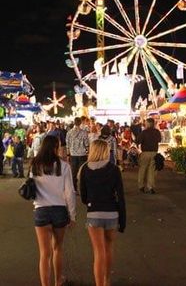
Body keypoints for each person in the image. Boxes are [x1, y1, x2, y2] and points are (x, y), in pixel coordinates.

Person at [79, 139, 126, 286]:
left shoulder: (85, 169)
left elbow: (83, 195)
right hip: (112, 213)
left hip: (94, 213)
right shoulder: (114, 169)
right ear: (106, 151)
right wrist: (122, 220)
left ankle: (99, 283)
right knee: (109, 248)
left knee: (98, 252)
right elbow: (121, 196)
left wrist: (90, 201)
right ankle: (107, 281)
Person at [31, 135, 76, 286]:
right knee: (57, 248)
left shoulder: (35, 164)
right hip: (59, 210)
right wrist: (72, 215)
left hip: (41, 209)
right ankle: (58, 281)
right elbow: (69, 192)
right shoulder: (64, 166)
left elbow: (32, 187)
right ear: (56, 147)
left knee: (44, 254)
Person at [137, 118, 161, 194]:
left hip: (145, 153)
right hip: (154, 152)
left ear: (147, 124)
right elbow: (159, 140)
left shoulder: (144, 132)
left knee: (142, 169)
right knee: (152, 171)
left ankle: (141, 186)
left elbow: (138, 141)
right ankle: (150, 187)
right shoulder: (157, 132)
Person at [66, 117, 89, 192]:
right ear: (80, 123)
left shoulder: (69, 132)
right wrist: (88, 153)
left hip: (73, 155)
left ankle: (74, 188)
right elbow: (86, 144)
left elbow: (67, 145)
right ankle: (82, 189)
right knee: (82, 172)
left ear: (74, 122)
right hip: (82, 154)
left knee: (73, 172)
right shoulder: (84, 132)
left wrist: (68, 155)